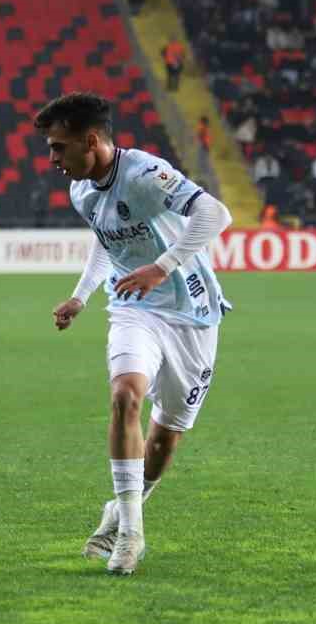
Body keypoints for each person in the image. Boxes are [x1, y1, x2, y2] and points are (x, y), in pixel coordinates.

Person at [37, 93, 234, 576]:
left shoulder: (144, 173)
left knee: (164, 442)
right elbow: (107, 243)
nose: (53, 160)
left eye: (59, 148)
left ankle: (120, 509)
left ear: (90, 141)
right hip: (132, 309)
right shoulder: (81, 191)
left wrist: (161, 267)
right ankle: (130, 533)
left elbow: (216, 215)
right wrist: (81, 297)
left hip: (191, 311)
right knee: (126, 395)